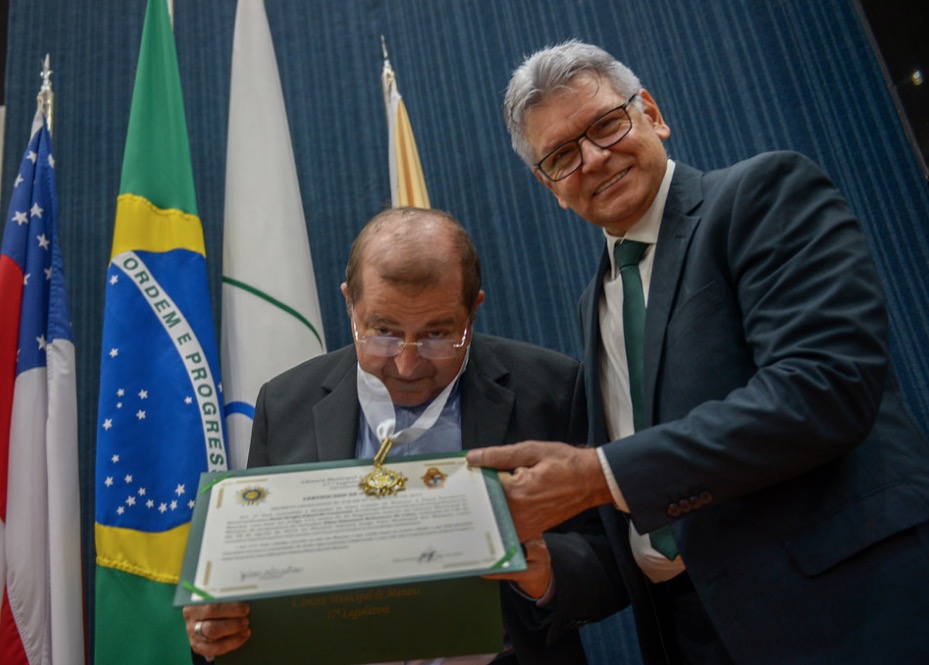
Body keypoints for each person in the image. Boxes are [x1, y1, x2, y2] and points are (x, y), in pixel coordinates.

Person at [466, 39, 929, 664]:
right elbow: (643, 514)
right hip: (692, 633)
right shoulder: (593, 303)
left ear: (651, 113)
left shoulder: (763, 195)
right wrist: (548, 568)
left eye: (606, 124)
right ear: (550, 186)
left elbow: (823, 389)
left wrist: (599, 475)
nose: (595, 159)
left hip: (844, 613)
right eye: (562, 156)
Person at [184, 206, 593, 665]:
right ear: (349, 304)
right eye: (383, 332)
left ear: (473, 310)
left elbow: (611, 556)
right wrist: (216, 627)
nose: (407, 364)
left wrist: (548, 573)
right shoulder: (285, 404)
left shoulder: (551, 388)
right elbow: (252, 578)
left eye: (438, 335)